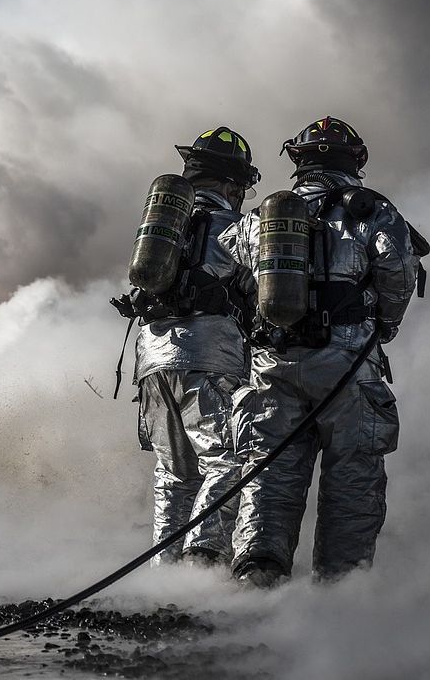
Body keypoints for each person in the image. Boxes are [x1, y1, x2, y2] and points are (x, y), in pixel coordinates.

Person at [220, 116, 425, 585]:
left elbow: (232, 272)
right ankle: (340, 591)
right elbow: (397, 270)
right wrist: (385, 326)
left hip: (273, 361)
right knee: (353, 475)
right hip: (348, 362)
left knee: (270, 471)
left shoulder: (261, 218)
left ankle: (258, 576)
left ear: (299, 161)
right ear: (356, 160)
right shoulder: (372, 210)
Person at [123, 126, 260, 568]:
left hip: (152, 359)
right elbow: (266, 299)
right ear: (229, 184)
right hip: (210, 357)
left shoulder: (160, 234)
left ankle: (165, 572)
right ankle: (201, 560)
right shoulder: (237, 228)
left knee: (173, 471)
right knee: (228, 461)